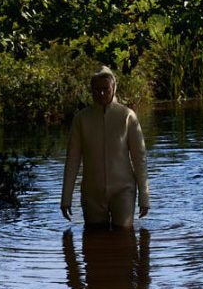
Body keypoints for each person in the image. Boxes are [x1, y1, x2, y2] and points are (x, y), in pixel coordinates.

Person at [61, 67, 149, 228]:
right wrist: (66, 198)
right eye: (96, 90)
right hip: (92, 193)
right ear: (91, 90)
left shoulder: (127, 116)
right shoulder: (81, 119)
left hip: (123, 190)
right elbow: (72, 160)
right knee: (94, 236)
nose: (101, 94)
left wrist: (144, 196)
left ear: (114, 88)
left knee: (124, 236)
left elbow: (139, 158)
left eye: (105, 89)